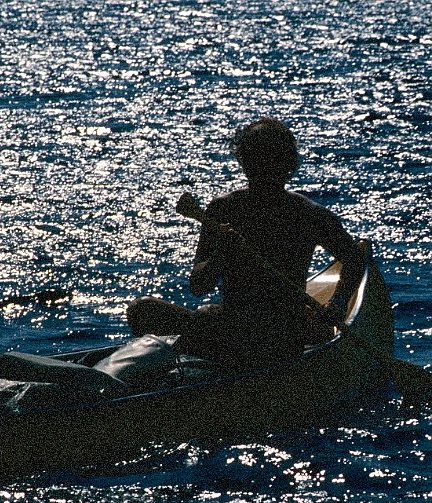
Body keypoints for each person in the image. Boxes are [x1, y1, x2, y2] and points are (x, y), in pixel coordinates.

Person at [126, 118, 366, 372]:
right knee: (142, 310)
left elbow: (354, 259)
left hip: (280, 336)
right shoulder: (223, 209)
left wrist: (338, 303)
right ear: (246, 165)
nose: (263, 171)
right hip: (231, 327)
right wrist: (221, 255)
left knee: (208, 318)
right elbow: (198, 286)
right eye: (256, 162)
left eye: (270, 162)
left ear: (286, 165)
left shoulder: (308, 214)